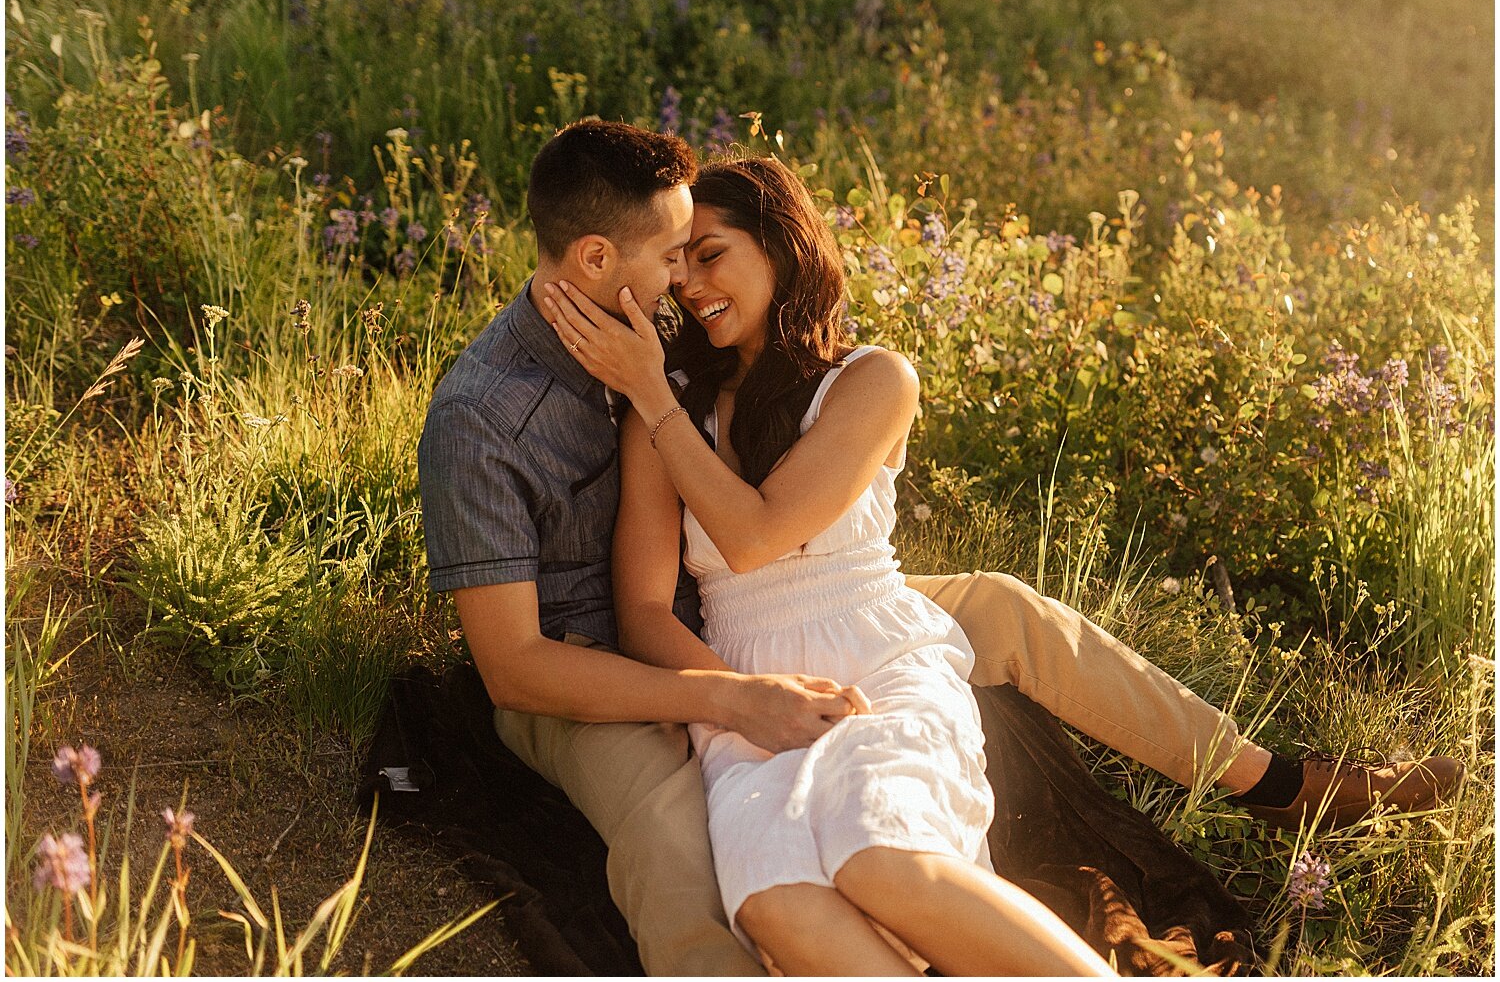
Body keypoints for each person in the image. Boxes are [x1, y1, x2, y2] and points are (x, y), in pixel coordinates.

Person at [417, 119, 1462, 975]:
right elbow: (522, 662)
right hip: (614, 659)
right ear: (600, 261)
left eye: (704, 254)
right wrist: (734, 696)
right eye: (670, 261)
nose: (683, 287)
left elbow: (766, 524)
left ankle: (1278, 783)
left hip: (787, 596)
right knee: (678, 836)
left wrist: (656, 394)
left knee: (1002, 604)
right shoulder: (498, 413)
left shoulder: (691, 362)